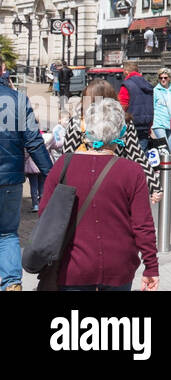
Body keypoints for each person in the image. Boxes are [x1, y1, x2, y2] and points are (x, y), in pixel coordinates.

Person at [39, 99, 159, 291]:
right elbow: (142, 225)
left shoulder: (63, 165)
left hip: (72, 266)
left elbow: (45, 215)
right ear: (121, 132)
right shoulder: (132, 171)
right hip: (119, 267)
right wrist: (151, 266)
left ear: (87, 130)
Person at [60, 79, 161, 203]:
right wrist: (155, 187)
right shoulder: (124, 123)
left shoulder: (77, 122)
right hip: (116, 183)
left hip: (83, 185)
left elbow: (66, 156)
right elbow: (137, 156)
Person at [2, 68, 53, 290]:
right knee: (6, 233)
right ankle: (11, 282)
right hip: (10, 179)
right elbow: (34, 141)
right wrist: (51, 175)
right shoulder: (17, 100)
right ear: (3, 70)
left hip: (11, 178)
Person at [118, 66, 155, 148]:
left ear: (127, 72)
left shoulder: (127, 85)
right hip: (146, 124)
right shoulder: (147, 84)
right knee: (143, 152)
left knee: (129, 153)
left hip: (131, 124)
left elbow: (122, 106)